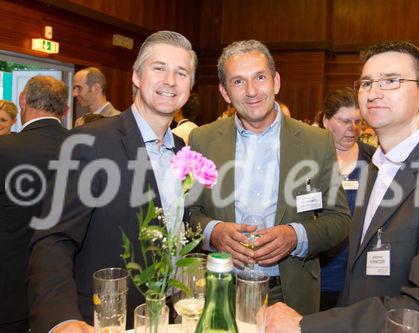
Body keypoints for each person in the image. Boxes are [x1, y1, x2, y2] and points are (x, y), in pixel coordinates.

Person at [265, 41, 419, 333]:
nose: (373, 93)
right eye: (367, 83)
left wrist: (306, 325)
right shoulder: (375, 167)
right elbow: (359, 276)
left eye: (391, 81)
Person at [27, 30, 196, 333]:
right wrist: (62, 319)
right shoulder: (89, 143)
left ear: (190, 85)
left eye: (181, 73)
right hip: (102, 321)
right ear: (136, 76)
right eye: (159, 68)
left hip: (166, 317)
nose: (170, 80)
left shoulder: (184, 154)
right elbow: (53, 239)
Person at [187, 39, 351, 315]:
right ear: (225, 92)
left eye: (259, 77)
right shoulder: (202, 140)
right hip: (222, 287)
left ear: (275, 82)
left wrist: (295, 236)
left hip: (289, 291)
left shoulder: (317, 142)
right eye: (238, 82)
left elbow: (339, 219)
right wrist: (213, 231)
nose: (251, 91)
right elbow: (187, 211)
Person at [0, 76, 69, 332]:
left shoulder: (4, 149)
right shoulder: (85, 148)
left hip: (10, 284)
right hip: (63, 287)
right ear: (65, 110)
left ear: (22, 101)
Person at [318, 87, 375, 310]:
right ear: (326, 120)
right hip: (318, 270)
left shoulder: (373, 159)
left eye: (358, 122)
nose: (353, 129)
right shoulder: (309, 158)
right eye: (344, 121)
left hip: (357, 271)